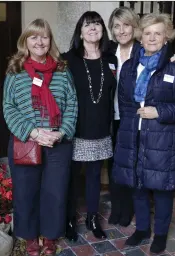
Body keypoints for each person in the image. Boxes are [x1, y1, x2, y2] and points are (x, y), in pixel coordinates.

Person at [112, 13, 175, 254]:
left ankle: (160, 234)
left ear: (166, 37)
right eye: (147, 33)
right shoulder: (130, 66)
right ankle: (142, 229)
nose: (152, 38)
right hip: (134, 135)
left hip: (164, 138)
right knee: (137, 185)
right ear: (140, 36)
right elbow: (125, 101)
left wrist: (159, 111)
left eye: (157, 33)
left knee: (161, 188)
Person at [3, 19, 78, 256]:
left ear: (50, 41)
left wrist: (61, 132)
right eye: (34, 37)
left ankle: (49, 235)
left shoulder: (62, 70)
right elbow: (8, 106)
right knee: (26, 192)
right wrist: (33, 132)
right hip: (26, 141)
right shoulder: (15, 71)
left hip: (57, 142)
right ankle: (30, 236)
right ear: (25, 41)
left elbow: (72, 103)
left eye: (44, 37)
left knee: (54, 193)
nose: (39, 41)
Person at [63, 11, 117, 241]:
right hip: (76, 128)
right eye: (87, 25)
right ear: (80, 31)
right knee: (73, 177)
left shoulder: (111, 57)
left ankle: (92, 218)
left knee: (95, 176)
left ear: (103, 30)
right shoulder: (68, 59)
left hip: (101, 128)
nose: (93, 28)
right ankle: (68, 220)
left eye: (97, 24)